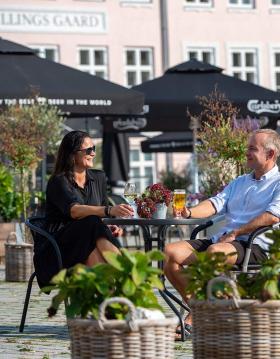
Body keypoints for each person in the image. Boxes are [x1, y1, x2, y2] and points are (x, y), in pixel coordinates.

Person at [164, 129, 280, 336]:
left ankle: (193, 319)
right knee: (170, 252)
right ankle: (200, 311)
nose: (247, 152)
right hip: (225, 240)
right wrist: (189, 212)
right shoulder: (240, 182)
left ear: (270, 154)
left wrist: (237, 232)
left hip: (255, 244)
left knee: (215, 252)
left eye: (252, 149)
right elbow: (215, 204)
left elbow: (272, 216)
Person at [34, 130, 134, 288]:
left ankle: (113, 302)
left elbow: (97, 217)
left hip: (86, 243)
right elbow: (75, 211)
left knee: (97, 256)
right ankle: (129, 274)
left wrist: (107, 227)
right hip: (58, 251)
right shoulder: (58, 181)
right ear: (72, 154)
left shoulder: (98, 178)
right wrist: (109, 210)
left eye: (94, 148)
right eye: (88, 150)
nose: (93, 153)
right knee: (92, 222)